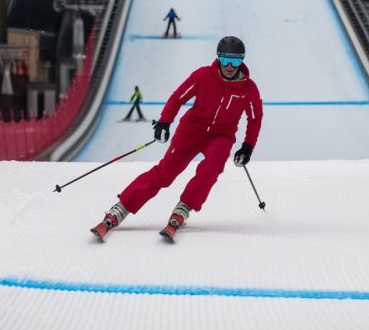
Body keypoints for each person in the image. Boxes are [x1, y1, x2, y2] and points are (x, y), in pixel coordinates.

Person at [91, 36, 263, 241]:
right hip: (192, 130)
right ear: (218, 58)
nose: (229, 66)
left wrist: (247, 146)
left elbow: (255, 118)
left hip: (221, 135)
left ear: (242, 61)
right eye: (225, 60)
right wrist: (165, 121)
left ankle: (183, 208)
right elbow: (178, 97)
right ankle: (121, 208)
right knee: (166, 173)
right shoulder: (203, 75)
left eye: (235, 61)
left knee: (212, 167)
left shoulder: (248, 89)